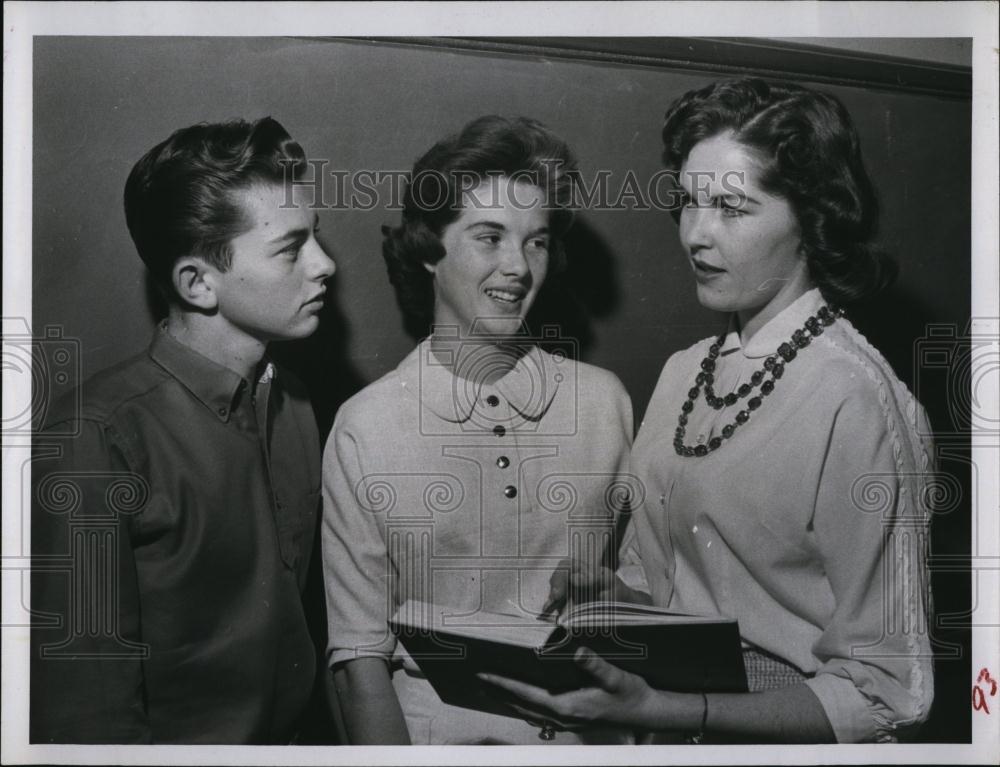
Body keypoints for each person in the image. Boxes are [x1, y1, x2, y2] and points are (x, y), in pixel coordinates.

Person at [481, 78, 935, 744]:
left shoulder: (858, 401)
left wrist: (673, 711)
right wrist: (614, 595)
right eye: (689, 203)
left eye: (731, 207)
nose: (696, 234)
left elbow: (886, 690)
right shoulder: (683, 372)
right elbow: (690, 592)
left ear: (810, 216)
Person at [321, 115, 635, 744]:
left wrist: (616, 597)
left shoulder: (603, 403)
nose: (517, 267)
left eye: (536, 241)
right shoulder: (367, 426)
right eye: (488, 237)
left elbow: (648, 604)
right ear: (429, 250)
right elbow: (360, 663)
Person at [30, 117, 336, 743]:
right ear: (197, 283)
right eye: (291, 247)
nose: (326, 264)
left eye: (318, 238)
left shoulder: (297, 405)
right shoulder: (95, 437)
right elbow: (86, 716)